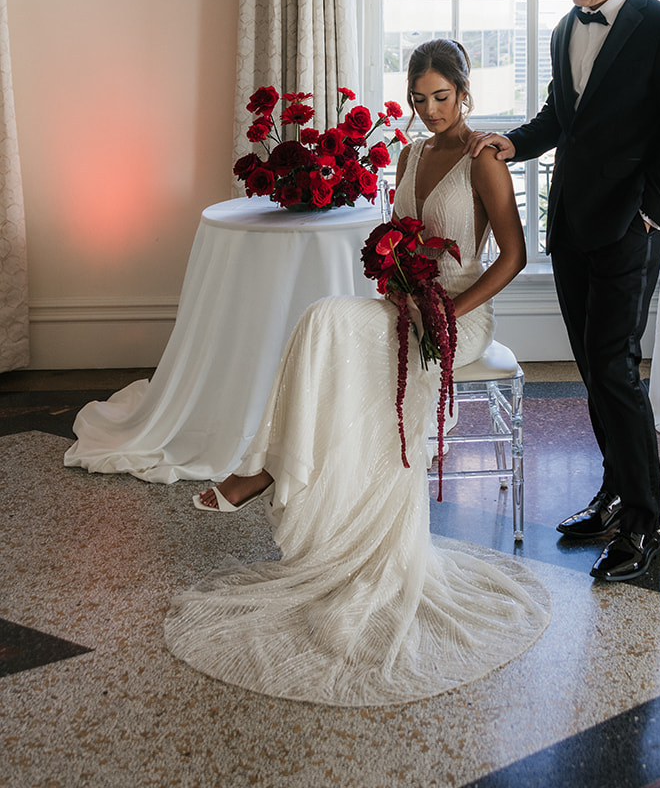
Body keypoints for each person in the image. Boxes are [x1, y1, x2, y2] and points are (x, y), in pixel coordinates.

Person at [165, 40, 549, 706]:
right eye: (420, 98)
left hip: (460, 315)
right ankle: (281, 469)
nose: (430, 111)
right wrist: (396, 282)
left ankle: (269, 470)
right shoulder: (407, 153)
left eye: (442, 97)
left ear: (464, 94)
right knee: (324, 322)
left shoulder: (483, 158)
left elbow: (513, 256)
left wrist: (451, 311)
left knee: (334, 330)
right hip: (402, 306)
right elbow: (396, 241)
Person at [471, 0, 660, 584]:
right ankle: (611, 497)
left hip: (629, 230)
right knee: (592, 370)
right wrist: (511, 144)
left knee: (613, 370)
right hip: (571, 223)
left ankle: (643, 522)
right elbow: (561, 117)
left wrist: (650, 216)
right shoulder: (563, 29)